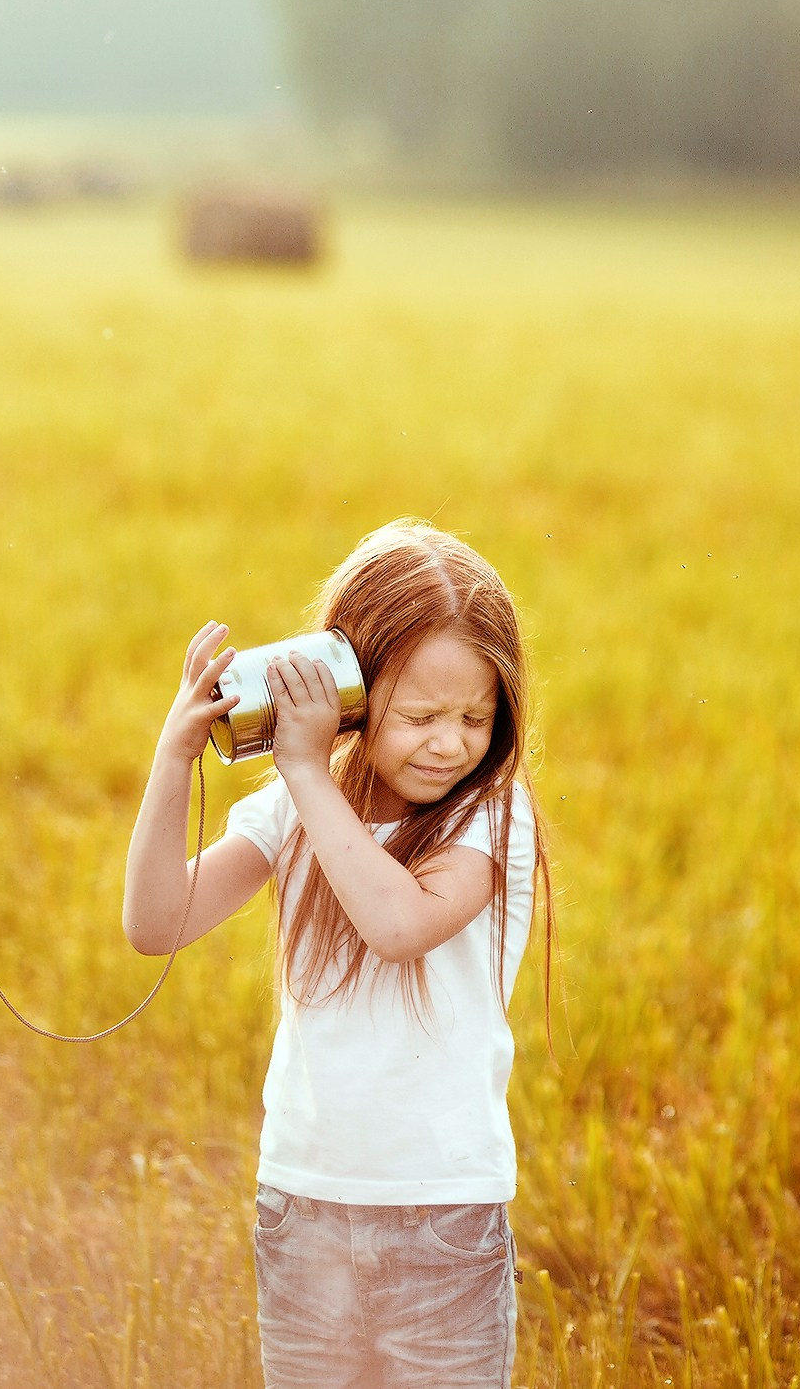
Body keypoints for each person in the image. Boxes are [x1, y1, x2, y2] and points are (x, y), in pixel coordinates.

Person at [119, 520, 553, 1389]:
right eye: (421, 715)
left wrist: (310, 773)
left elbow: (398, 926)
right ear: (352, 694)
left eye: (475, 716)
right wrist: (174, 756)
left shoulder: (490, 817)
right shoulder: (296, 807)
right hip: (303, 1208)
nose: (449, 741)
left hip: (442, 1217)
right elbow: (156, 920)